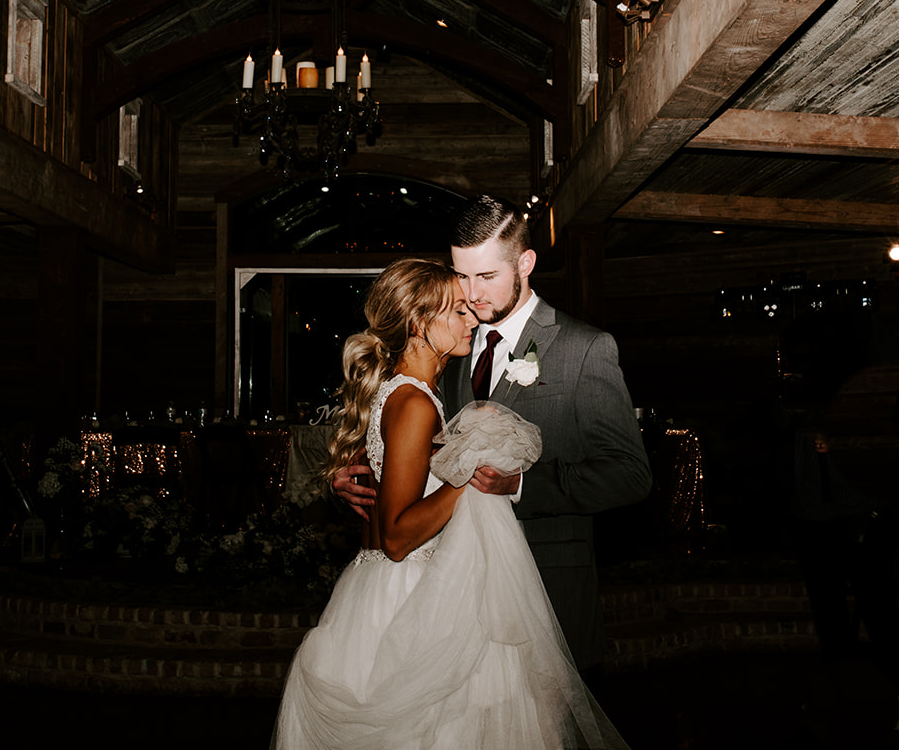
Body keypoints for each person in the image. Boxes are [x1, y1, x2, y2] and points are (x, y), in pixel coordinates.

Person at [272, 258, 626, 748]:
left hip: (392, 589)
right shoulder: (415, 402)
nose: (473, 319)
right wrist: (466, 480)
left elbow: (387, 476)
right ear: (420, 323)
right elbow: (397, 537)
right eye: (458, 311)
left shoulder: (410, 392)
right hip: (411, 598)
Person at [334, 196, 652, 671]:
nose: (472, 293)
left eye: (486, 276)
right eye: (461, 275)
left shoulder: (585, 350)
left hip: (547, 584)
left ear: (525, 263)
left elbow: (631, 475)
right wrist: (362, 476)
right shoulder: (449, 352)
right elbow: (413, 447)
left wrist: (522, 484)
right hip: (452, 597)